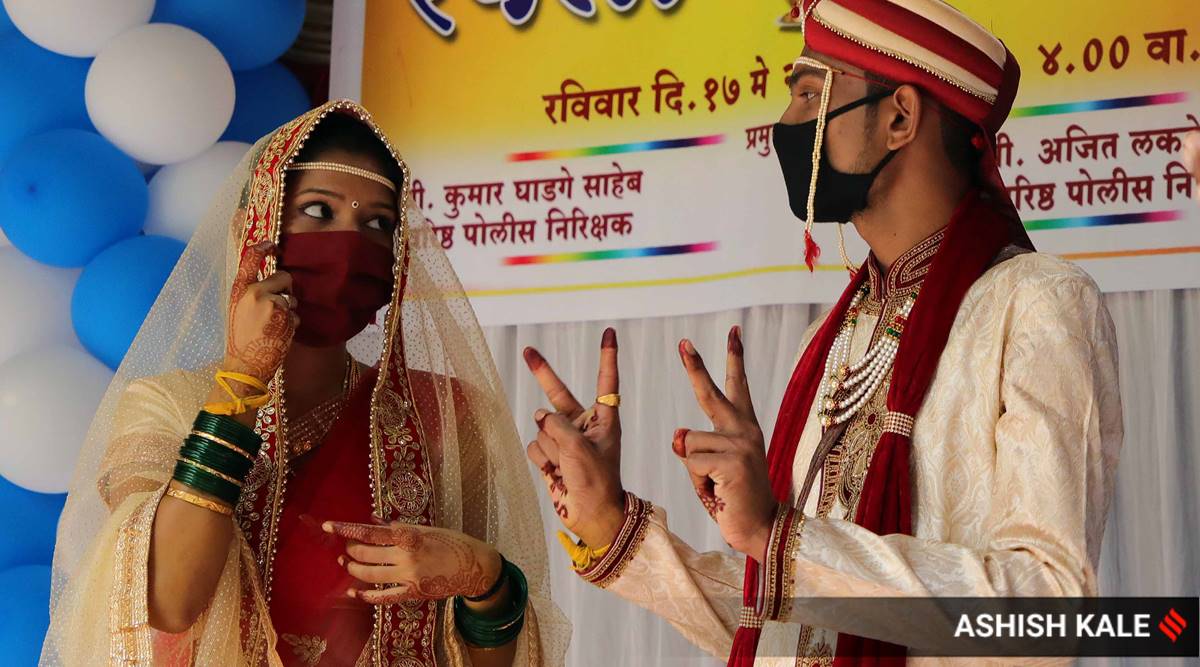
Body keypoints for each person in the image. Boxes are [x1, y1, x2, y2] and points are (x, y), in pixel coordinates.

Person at [521, 1, 1123, 664]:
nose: (786, 124)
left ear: (899, 118)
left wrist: (782, 539)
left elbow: (1049, 609)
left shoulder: (1035, 303)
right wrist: (614, 526)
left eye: (810, 94)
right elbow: (788, 626)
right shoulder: (834, 337)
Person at [41, 101, 567, 666]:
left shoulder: (442, 415)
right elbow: (166, 602)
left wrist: (488, 583)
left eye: (378, 224)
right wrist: (244, 377)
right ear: (253, 229)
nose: (349, 244)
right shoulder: (168, 406)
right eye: (318, 210)